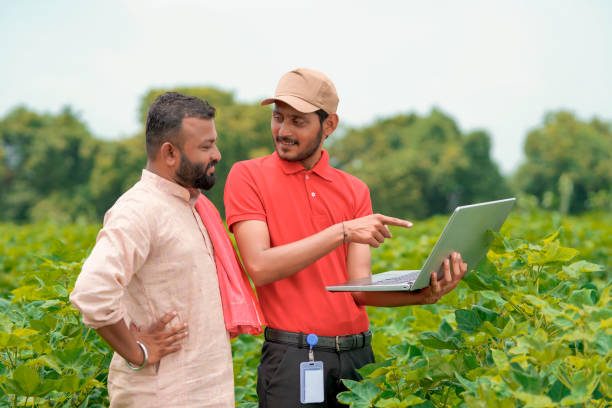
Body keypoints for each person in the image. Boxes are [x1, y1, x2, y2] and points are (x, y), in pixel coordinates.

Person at [224, 68, 468, 407]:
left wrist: (423, 294)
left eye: (298, 121)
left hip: (357, 359)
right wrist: (341, 231)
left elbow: (358, 289)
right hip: (294, 359)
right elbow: (260, 266)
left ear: (330, 125)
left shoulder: (353, 190)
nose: (283, 131)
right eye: (278, 118)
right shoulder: (248, 176)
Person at [70, 92, 262, 407]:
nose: (217, 154)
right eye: (205, 146)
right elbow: (92, 291)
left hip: (206, 391)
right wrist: (137, 350)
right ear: (170, 153)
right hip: (163, 394)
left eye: (214, 142)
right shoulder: (139, 209)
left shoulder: (192, 206)